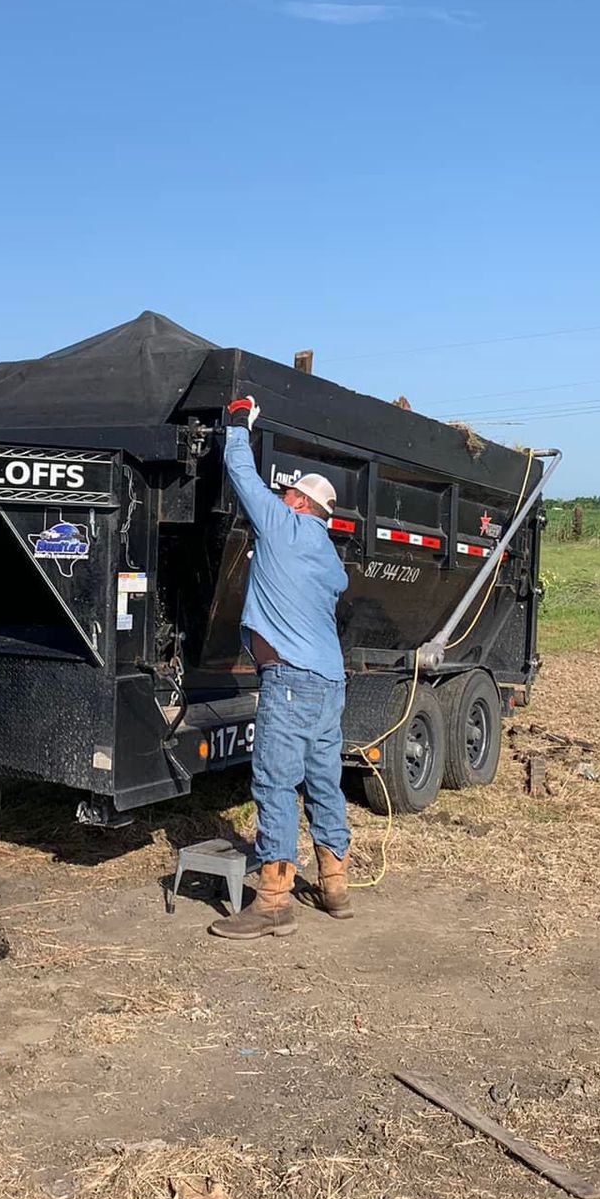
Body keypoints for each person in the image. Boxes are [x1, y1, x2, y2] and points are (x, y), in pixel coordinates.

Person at [208, 395, 353, 940]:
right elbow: (334, 591)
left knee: (274, 781)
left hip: (290, 679)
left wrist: (236, 424)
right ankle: (334, 885)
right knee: (323, 781)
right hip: (328, 682)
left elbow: (241, 472)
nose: (279, 495)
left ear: (295, 500)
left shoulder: (282, 527)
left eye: (286, 491)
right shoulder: (329, 558)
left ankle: (272, 899)